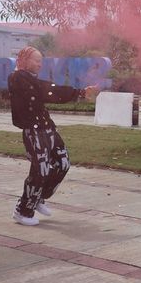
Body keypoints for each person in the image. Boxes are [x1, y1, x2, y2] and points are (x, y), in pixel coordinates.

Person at [8, 46, 99, 226]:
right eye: (36, 60)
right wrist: (77, 92)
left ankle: (39, 197)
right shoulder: (17, 78)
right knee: (40, 170)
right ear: (25, 60)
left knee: (63, 163)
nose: (40, 64)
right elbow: (46, 90)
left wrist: (79, 92)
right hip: (33, 132)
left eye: (41, 61)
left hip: (48, 128)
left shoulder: (32, 80)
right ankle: (23, 210)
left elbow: (47, 89)